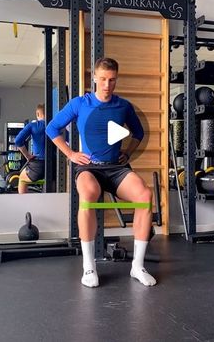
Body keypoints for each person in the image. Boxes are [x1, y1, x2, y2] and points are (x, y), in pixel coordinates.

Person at [46, 58, 156, 288]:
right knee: (88, 196)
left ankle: (137, 266)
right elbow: (52, 128)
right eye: (103, 79)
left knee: (145, 197)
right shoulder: (80, 103)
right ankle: (89, 267)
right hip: (88, 167)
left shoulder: (123, 106)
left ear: (117, 79)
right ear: (94, 78)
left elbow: (138, 133)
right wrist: (71, 154)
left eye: (112, 80)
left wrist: (127, 153)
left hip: (116, 168)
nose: (107, 84)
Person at [15, 104, 45, 194]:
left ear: (37, 114)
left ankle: (24, 205)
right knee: (52, 181)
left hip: (38, 165)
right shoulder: (55, 125)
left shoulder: (33, 125)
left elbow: (18, 141)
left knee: (21, 179)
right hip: (55, 164)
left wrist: (27, 155)